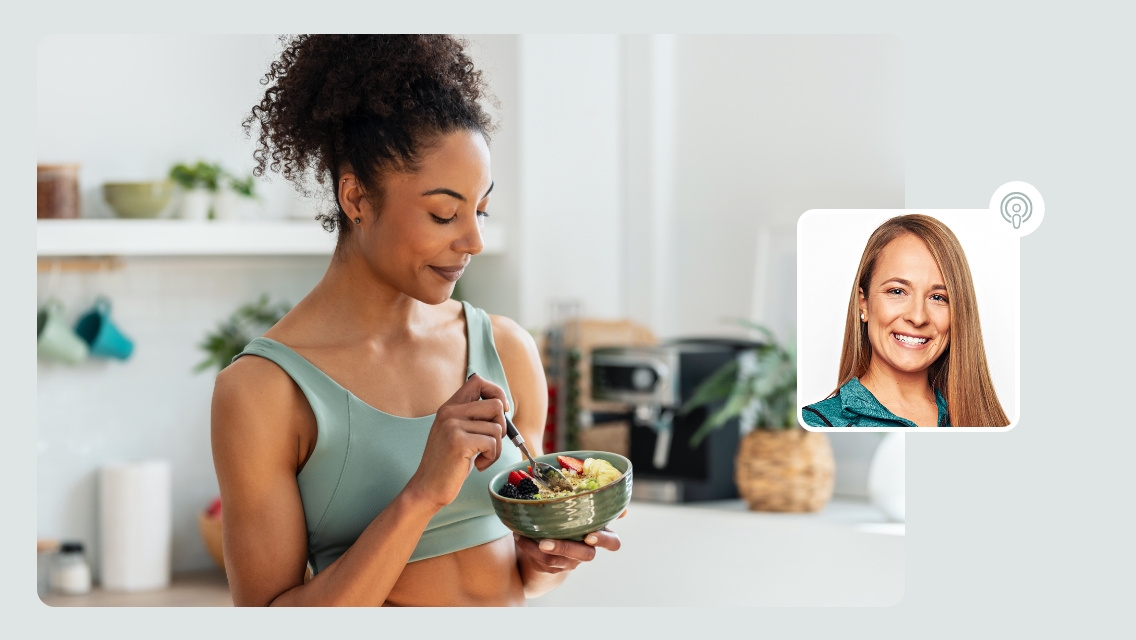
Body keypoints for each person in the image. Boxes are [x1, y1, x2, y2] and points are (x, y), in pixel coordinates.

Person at [211, 35, 621, 607]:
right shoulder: (264, 391)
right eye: (444, 213)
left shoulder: (505, 350)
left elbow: (525, 573)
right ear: (355, 197)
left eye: (480, 210)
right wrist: (424, 492)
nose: (474, 239)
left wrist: (546, 559)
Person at [802, 214, 1009, 428]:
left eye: (938, 297)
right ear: (863, 303)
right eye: (898, 291)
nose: (918, 317)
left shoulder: (991, 425)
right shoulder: (814, 426)